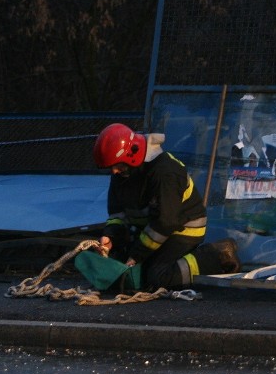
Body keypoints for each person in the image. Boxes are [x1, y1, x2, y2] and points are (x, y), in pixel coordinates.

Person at [92, 123, 241, 289]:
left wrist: (136, 255)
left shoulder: (165, 171)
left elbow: (165, 222)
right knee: (123, 276)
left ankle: (217, 256)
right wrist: (110, 237)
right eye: (110, 167)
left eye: (117, 166)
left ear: (132, 153)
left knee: (157, 277)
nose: (114, 172)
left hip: (183, 229)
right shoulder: (123, 171)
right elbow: (117, 215)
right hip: (151, 229)